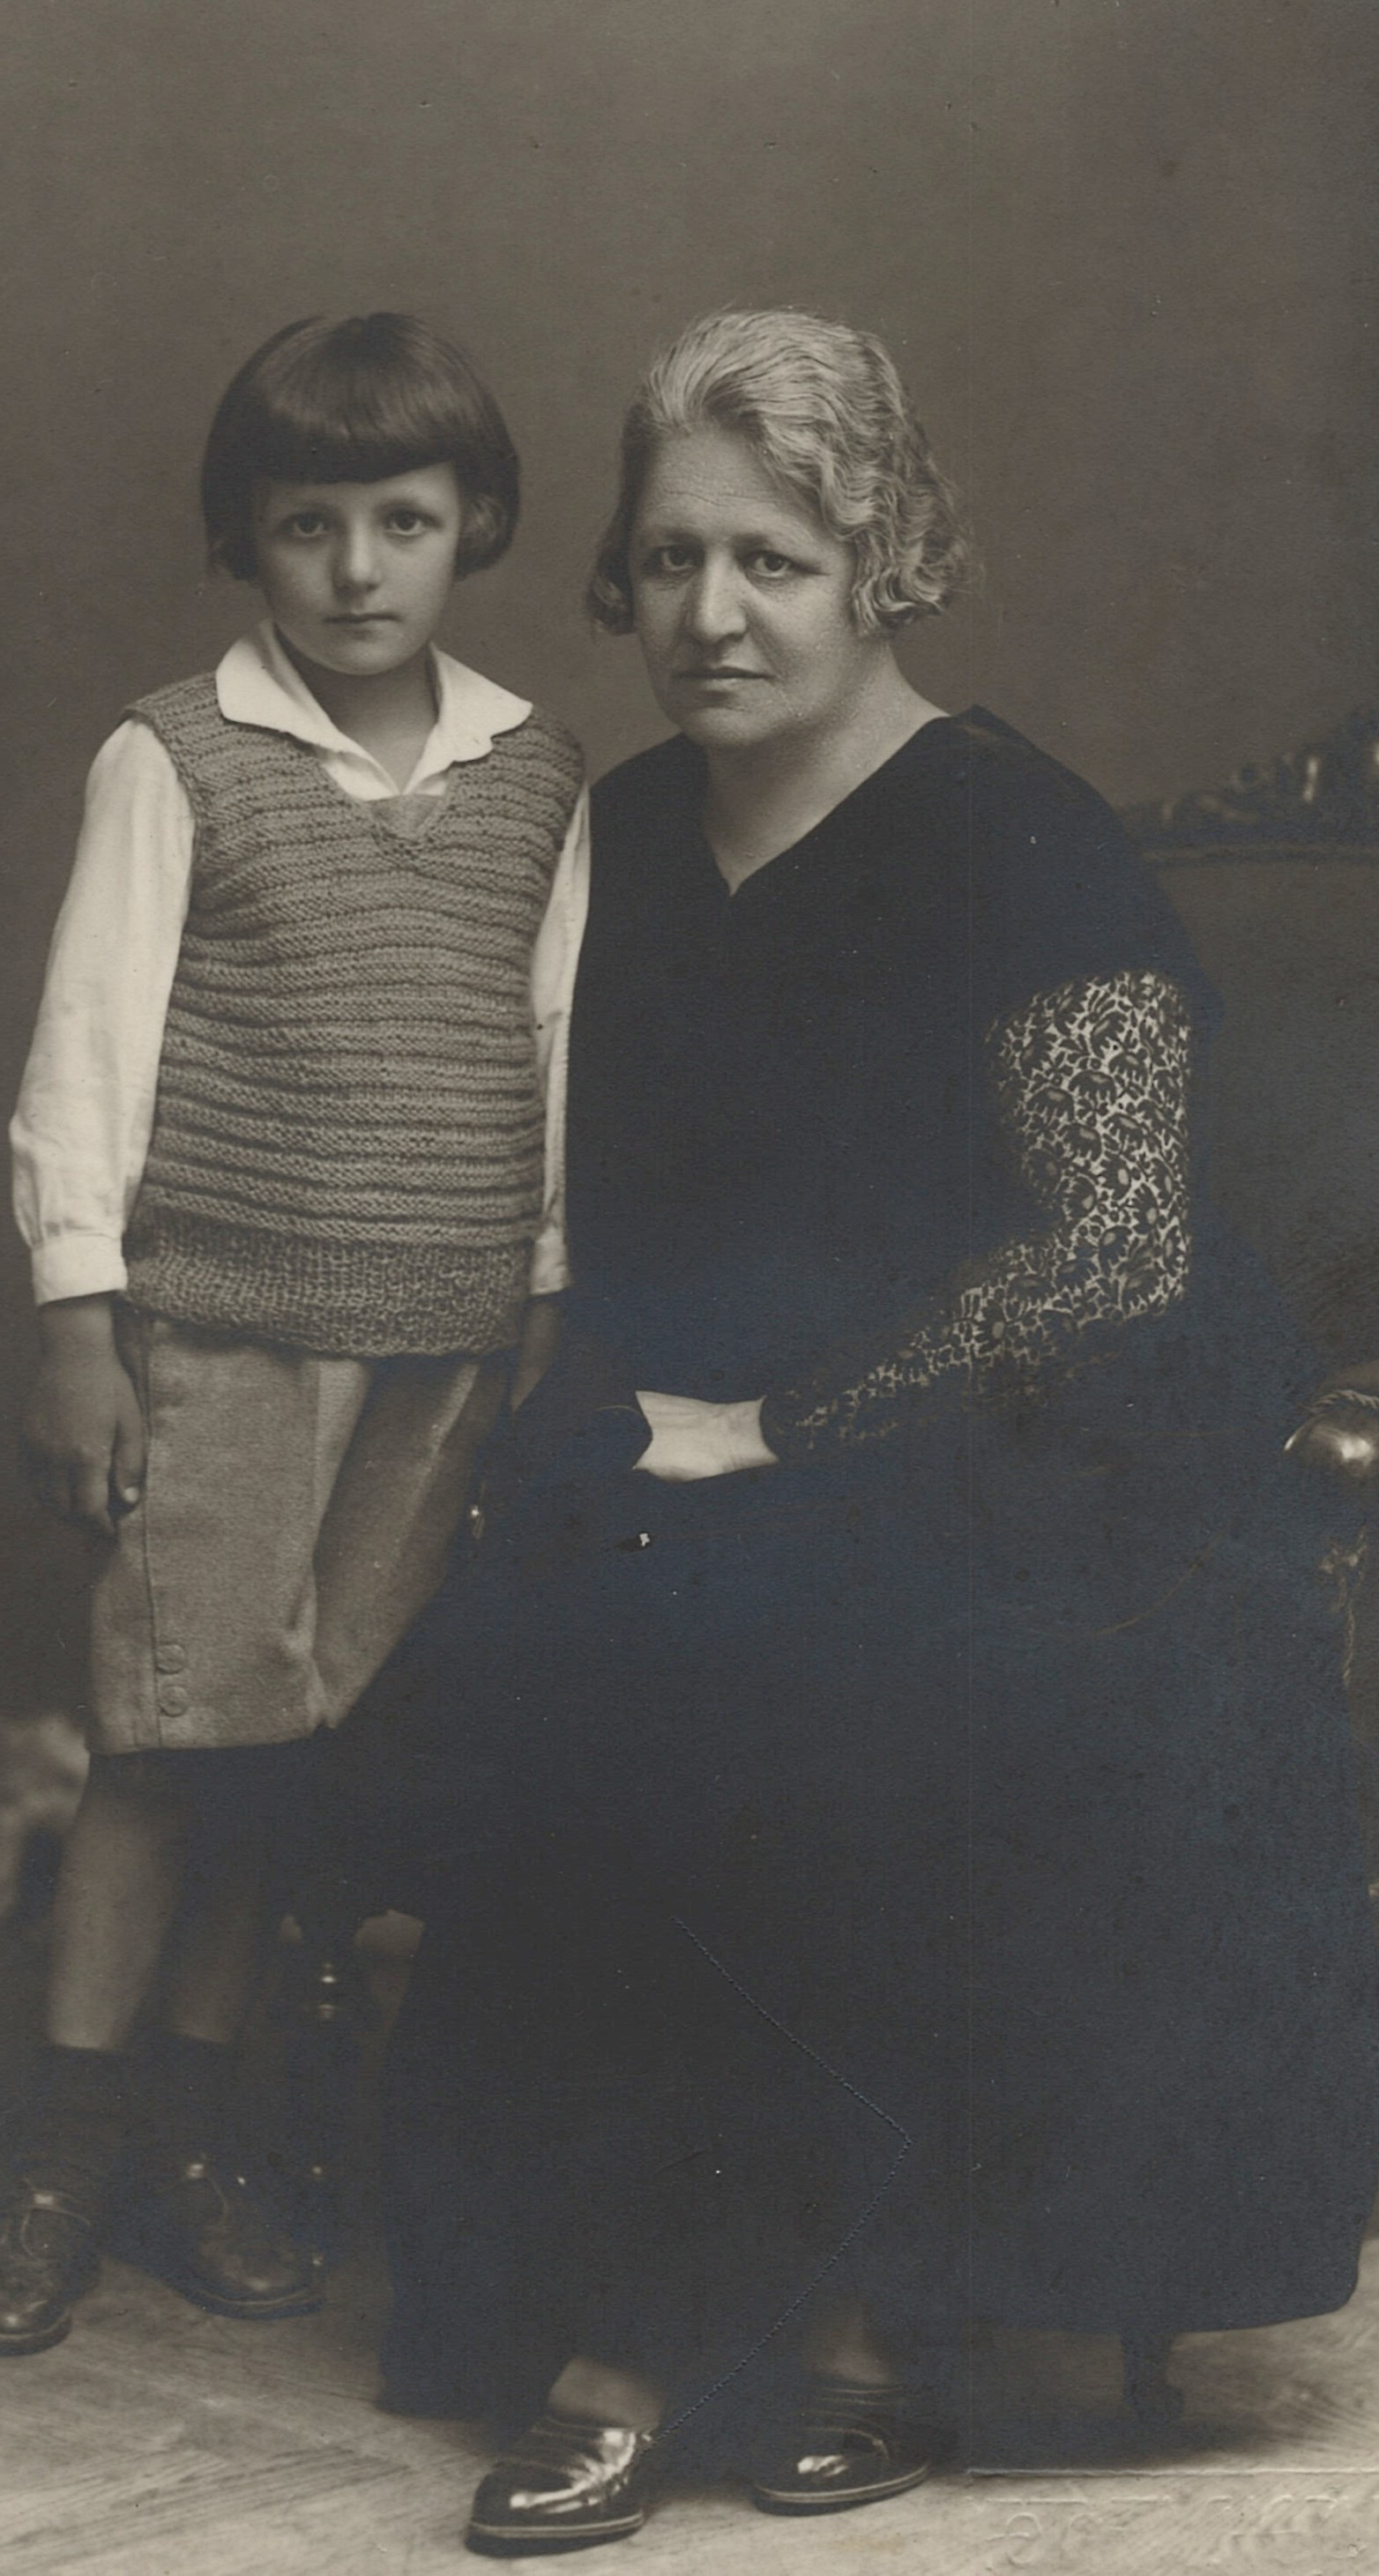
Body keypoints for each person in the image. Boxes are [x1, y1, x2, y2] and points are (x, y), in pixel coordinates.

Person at [367, 309, 1379, 2554]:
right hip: (690, 1413)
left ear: (882, 562)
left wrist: (784, 1424)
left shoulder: (1022, 836)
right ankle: (648, 2299)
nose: (711, 615)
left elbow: (1114, 1249)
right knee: (594, 1635)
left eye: (776, 560)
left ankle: (807, 2327)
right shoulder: (621, 829)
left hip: (1037, 1425)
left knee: (830, 1657)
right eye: (670, 558)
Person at [0, 311, 585, 2357]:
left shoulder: (533, 771)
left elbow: (552, 1059)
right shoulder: (178, 756)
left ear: (474, 523)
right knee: (169, 1743)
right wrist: (78, 1326)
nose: (357, 568)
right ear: (247, 539)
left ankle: (190, 2132)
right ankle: (67, 2145)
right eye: (308, 525)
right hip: (221, 1334)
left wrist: (542, 1304)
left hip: (441, 1354)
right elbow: (86, 1051)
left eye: (403, 520)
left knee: (296, 1756)